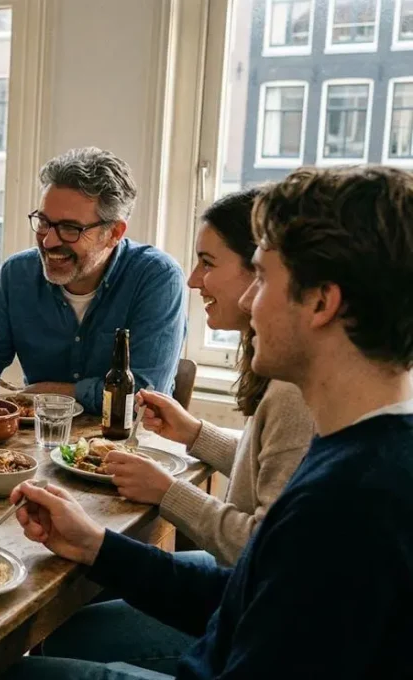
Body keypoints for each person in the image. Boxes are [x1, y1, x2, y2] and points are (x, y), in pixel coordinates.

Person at [2, 165, 413, 679]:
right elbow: (244, 599)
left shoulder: (348, 506)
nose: (246, 300)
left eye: (261, 277)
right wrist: (96, 545)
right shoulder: (354, 451)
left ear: (322, 303)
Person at [111, 189, 315, 564]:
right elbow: (271, 467)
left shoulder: (293, 391)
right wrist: (194, 433)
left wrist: (167, 492)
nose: (192, 280)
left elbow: (265, 552)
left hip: (243, 598)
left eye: (207, 263)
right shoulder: (283, 379)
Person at [0, 147, 186, 414]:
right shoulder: (17, 275)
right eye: (44, 222)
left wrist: (49, 392)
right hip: (34, 442)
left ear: (113, 232)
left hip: (126, 445)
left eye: (71, 229)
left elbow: (144, 395)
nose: (48, 241)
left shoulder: (157, 278)